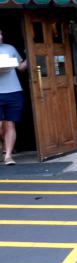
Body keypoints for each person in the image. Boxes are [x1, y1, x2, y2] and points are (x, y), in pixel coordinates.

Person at [0, 29, 28, 166]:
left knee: (10, 123)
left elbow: (21, 67)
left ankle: (8, 156)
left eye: (0, 33)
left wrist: (31, 55)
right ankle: (2, 148)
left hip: (14, 91)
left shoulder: (10, 48)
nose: (0, 36)